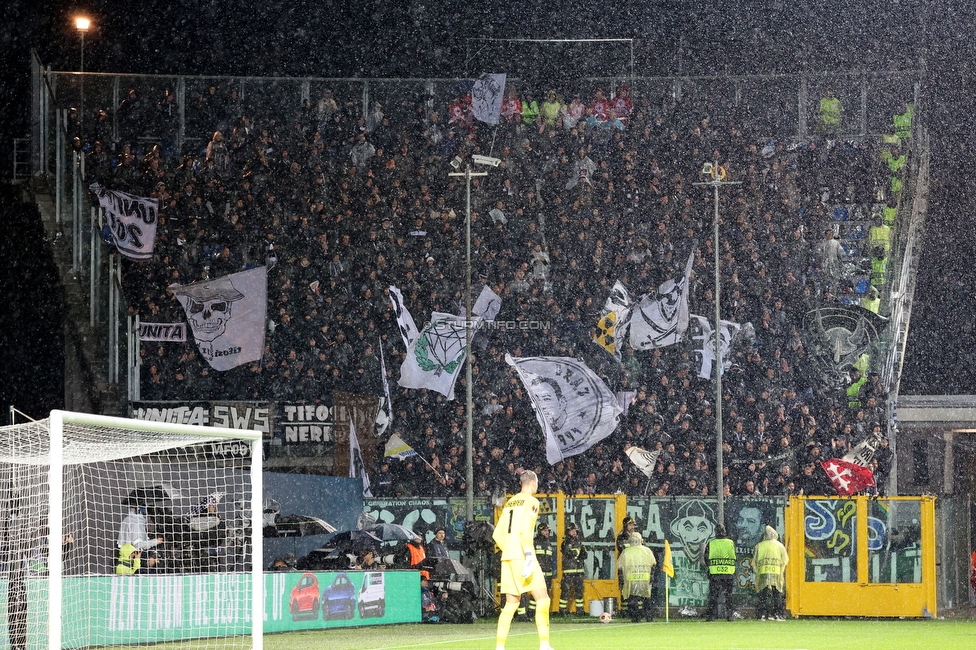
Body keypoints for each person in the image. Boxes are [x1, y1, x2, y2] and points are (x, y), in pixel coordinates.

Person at [491, 470, 554, 650]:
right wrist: (527, 556)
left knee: (511, 604)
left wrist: (510, 549)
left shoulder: (510, 502)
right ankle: (544, 645)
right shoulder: (532, 501)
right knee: (542, 599)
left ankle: (499, 647)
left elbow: (496, 534)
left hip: (507, 558)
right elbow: (525, 531)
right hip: (523, 555)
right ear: (533, 482)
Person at [752, 525, 789, 620]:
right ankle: (778, 614)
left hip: (763, 573)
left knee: (762, 594)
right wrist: (781, 570)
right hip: (776, 573)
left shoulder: (759, 545)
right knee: (777, 593)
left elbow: (754, 562)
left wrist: (757, 571)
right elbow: (785, 560)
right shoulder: (780, 546)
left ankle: (762, 614)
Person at [618, 533, 656, 622]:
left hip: (631, 579)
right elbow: (653, 564)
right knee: (646, 598)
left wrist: (621, 581)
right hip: (645, 579)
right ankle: (649, 617)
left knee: (632, 599)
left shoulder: (626, 552)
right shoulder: (647, 551)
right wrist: (651, 576)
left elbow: (620, 567)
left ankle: (635, 617)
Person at [706, 524, 736, 621]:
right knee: (729, 596)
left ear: (715, 532)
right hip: (728, 574)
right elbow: (734, 556)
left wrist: (711, 567)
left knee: (714, 596)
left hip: (715, 574)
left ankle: (711, 616)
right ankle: (730, 616)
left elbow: (706, 557)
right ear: (724, 531)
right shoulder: (730, 543)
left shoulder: (711, 543)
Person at [526, 523, 554, 620]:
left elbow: (550, 560)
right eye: (545, 530)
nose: (547, 533)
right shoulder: (534, 543)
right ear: (540, 531)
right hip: (538, 573)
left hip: (548, 574)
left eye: (548, 531)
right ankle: (530, 613)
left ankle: (542, 614)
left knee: (545, 595)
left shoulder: (549, 544)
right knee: (535, 594)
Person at [558, 523, 586, 616]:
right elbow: (569, 553)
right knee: (565, 592)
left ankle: (580, 611)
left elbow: (585, 555)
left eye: (576, 531)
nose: (574, 533)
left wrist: (577, 552)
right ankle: (562, 611)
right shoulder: (565, 542)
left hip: (579, 572)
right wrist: (578, 551)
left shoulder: (579, 542)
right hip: (568, 572)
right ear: (568, 532)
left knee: (579, 593)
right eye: (572, 531)